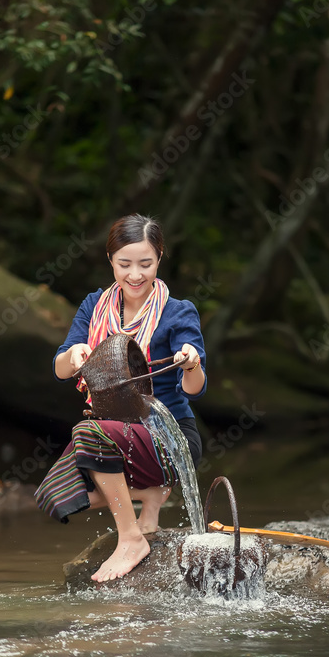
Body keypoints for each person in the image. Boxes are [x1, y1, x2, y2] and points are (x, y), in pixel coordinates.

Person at [34, 214, 207, 582]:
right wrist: (77, 352)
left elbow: (194, 389)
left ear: (159, 258)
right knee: (54, 496)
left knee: (87, 432)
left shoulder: (177, 311)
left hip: (169, 440)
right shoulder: (94, 306)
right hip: (115, 435)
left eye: (145, 263)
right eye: (124, 264)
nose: (135, 275)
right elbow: (61, 368)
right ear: (110, 260)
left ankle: (131, 539)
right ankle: (150, 495)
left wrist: (191, 362)